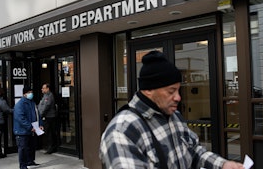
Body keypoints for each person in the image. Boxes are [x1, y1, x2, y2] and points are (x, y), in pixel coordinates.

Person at [99, 50, 244, 169]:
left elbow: (193, 152)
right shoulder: (122, 131)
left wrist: (223, 165)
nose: (178, 98)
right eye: (171, 91)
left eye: (179, 90)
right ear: (148, 89)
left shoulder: (175, 117)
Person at [13, 86, 43, 169]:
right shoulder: (20, 104)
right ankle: (23, 166)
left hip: (32, 130)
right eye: (29, 92)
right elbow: (20, 118)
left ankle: (30, 162)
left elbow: (37, 114)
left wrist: (40, 124)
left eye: (31, 92)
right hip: (22, 131)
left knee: (31, 147)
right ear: (24, 94)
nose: (31, 94)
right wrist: (30, 127)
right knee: (23, 149)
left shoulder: (32, 103)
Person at [38, 83, 58, 154]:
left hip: (50, 117)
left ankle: (51, 147)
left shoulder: (49, 96)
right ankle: (50, 146)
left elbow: (46, 106)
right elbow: (40, 105)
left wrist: (40, 114)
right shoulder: (44, 96)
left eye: (43, 88)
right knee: (48, 132)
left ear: (47, 88)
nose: (42, 89)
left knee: (49, 132)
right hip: (46, 116)